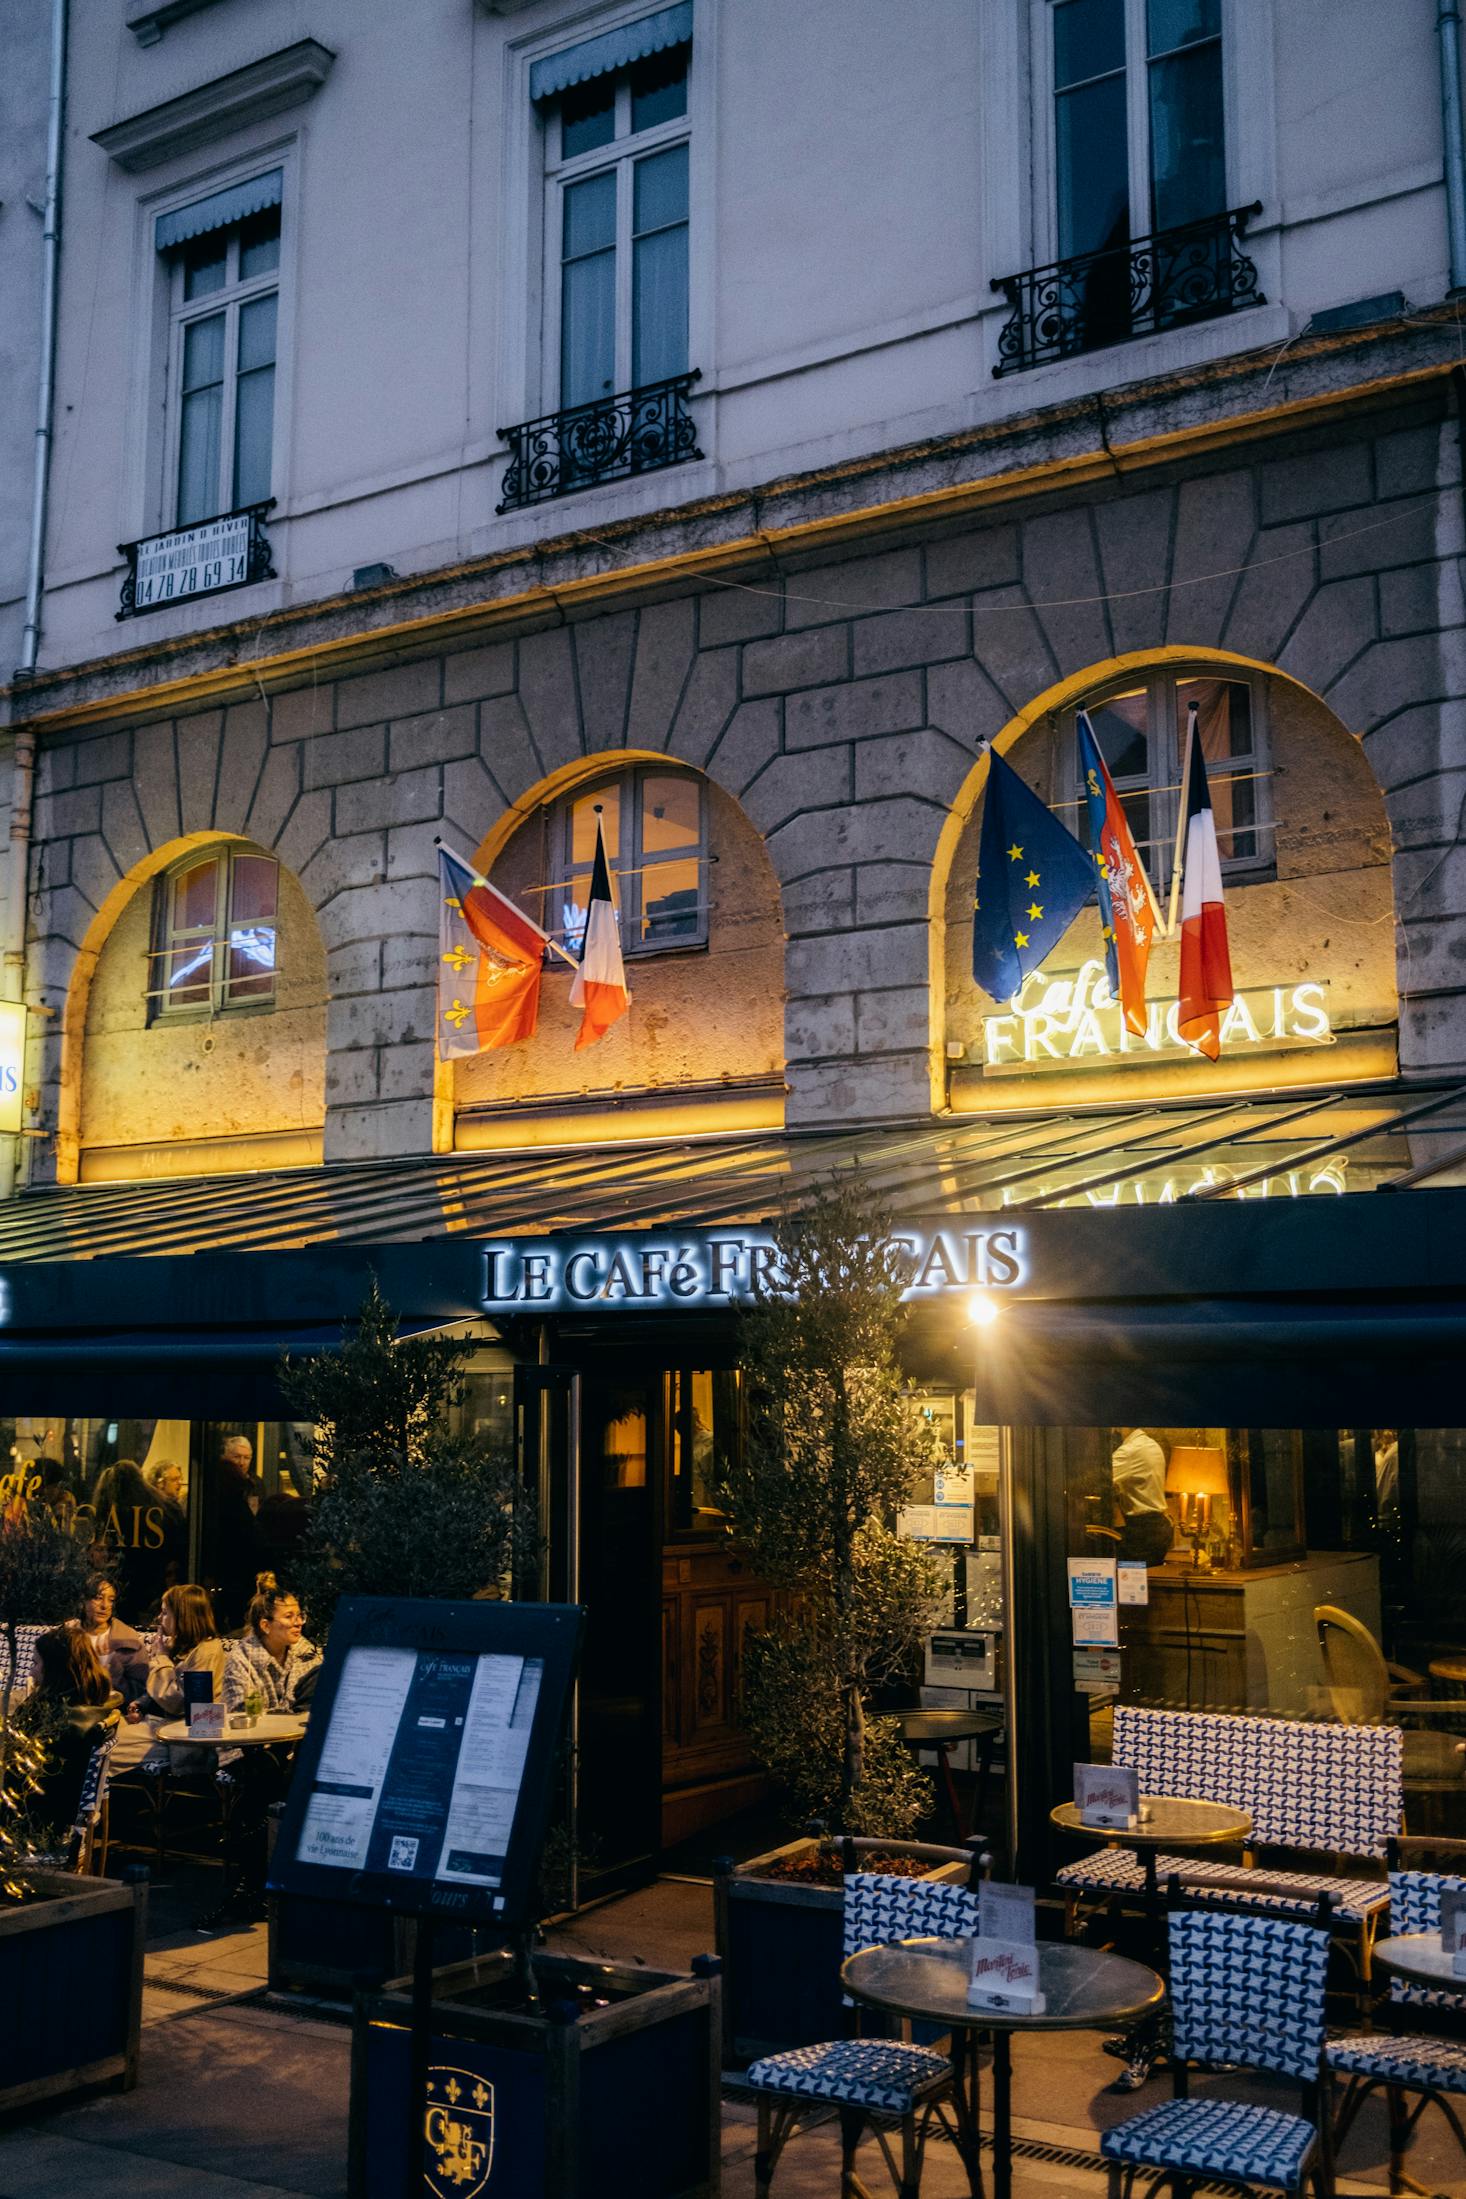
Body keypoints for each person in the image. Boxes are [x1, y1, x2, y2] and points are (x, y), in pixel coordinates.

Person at [203, 1579, 321, 1929]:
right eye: (290, 1616)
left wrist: (286, 1713)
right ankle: (260, 1886)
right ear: (266, 1625)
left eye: (300, 1614)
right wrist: (287, 1711)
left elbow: (313, 1704)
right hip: (247, 1749)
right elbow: (243, 1712)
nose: (299, 1622)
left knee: (265, 1790)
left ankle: (249, 1888)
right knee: (265, 1779)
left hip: (293, 1748)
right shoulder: (241, 1656)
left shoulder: (309, 1653)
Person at [19, 1626, 122, 1850]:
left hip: (38, 1817)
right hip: (64, 1810)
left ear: (55, 1670)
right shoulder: (97, 1702)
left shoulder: (52, 1717)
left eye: (36, 1664)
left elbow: (17, 1765)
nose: (32, 1672)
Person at [111, 1582, 228, 1775]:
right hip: (163, 1727)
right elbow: (166, 1688)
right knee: (100, 1735)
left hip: (182, 1739)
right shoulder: (186, 1645)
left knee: (104, 1748)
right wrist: (143, 1704)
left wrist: (161, 1657)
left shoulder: (207, 1652)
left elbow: (179, 1702)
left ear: (183, 1616)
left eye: (165, 1612)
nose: (159, 1617)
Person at [207, 1434, 264, 1630]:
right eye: (236, 1457)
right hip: (224, 1557)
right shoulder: (216, 1485)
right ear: (225, 1457)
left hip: (249, 1559)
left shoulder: (257, 1483)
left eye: (246, 1457)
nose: (241, 1462)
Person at [76, 1573, 149, 1699]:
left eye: (111, 1600)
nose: (104, 1606)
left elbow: (140, 1690)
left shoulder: (127, 1640)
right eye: (98, 1598)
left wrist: (110, 1675)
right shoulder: (68, 1635)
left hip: (114, 1710)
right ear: (84, 1600)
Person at [1109, 1427, 1174, 1567]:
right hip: (1157, 1526)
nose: (1113, 1431)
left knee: (1129, 1581)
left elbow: (1098, 1479)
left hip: (1141, 1532)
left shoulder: (1129, 1451)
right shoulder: (1151, 1445)